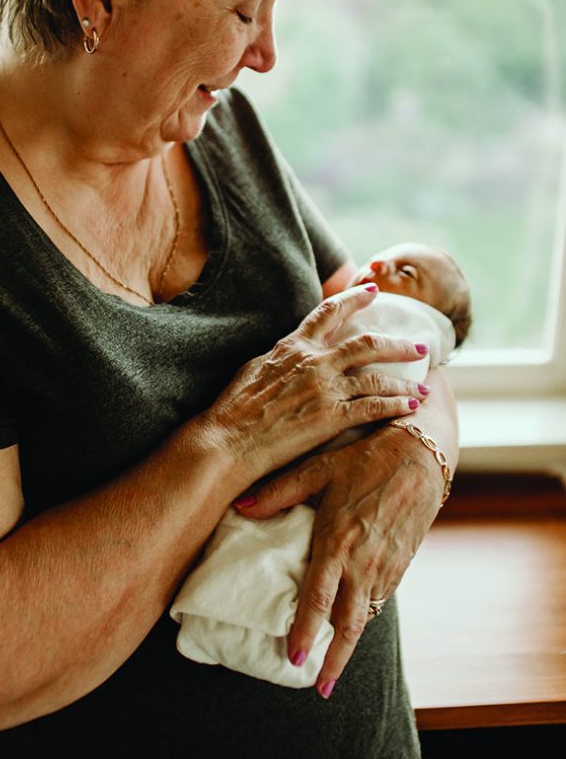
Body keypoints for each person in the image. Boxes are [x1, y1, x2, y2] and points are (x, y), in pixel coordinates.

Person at [0, 0, 459, 759]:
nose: (265, 54)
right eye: (243, 9)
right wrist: (227, 443)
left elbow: (386, 332)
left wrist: (420, 454)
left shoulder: (213, 128)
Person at [171, 243, 471, 688]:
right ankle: (248, 627)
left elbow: (405, 360)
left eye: (404, 271)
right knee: (270, 550)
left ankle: (244, 624)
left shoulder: (394, 316)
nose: (378, 264)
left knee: (297, 560)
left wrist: (423, 452)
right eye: (384, 256)